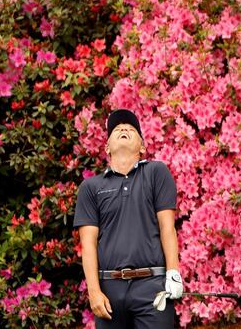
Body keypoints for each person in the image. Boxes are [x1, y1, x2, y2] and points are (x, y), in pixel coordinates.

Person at [73, 108, 183, 328]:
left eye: (131, 129)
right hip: (109, 290)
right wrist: (94, 292)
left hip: (152, 287)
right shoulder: (90, 187)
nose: (123, 129)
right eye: (117, 129)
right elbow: (88, 244)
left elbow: (167, 227)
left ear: (142, 147)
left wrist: (173, 273)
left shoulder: (156, 173)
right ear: (107, 147)